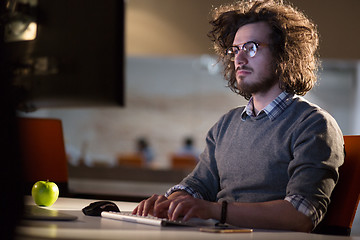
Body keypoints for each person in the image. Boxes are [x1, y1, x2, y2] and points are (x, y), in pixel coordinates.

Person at [133, 0, 344, 232]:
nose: (239, 60)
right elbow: (199, 184)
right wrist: (172, 201)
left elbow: (301, 215)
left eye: (251, 47)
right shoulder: (226, 124)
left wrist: (214, 210)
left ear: (285, 53)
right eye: (235, 50)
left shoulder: (314, 124)